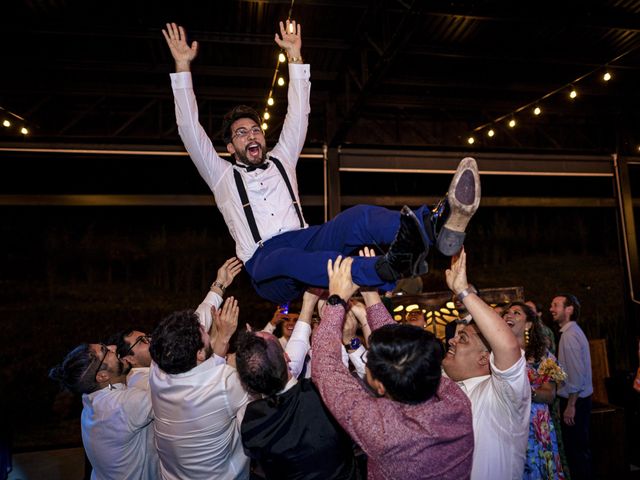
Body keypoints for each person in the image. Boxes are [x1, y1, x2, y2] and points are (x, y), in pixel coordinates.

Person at [162, 21, 481, 304]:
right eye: (242, 133)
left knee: (358, 217)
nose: (252, 136)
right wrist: (182, 66)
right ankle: (379, 269)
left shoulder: (282, 160)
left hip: (306, 240)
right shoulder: (221, 175)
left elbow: (298, 115)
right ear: (231, 147)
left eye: (256, 129)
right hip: (264, 263)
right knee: (288, 258)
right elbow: (190, 130)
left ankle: (434, 227)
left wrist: (295, 58)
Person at [312, 250, 474, 479]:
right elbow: (403, 347)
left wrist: (336, 301)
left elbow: (326, 370)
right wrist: (370, 295)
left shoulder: (382, 429)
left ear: (379, 387)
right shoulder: (456, 402)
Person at [236, 290, 357, 479]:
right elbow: (335, 362)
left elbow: (295, 353)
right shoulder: (323, 394)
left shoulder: (248, 420)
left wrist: (307, 306)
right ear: (286, 357)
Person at [148, 258, 249, 480]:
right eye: (204, 331)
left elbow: (199, 318)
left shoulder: (159, 367)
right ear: (200, 354)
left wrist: (219, 285)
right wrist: (226, 337)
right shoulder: (226, 383)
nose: (205, 326)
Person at [442, 250, 531, 480]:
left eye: (462, 339)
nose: (451, 340)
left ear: (484, 359)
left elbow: (508, 348)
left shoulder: (500, 395)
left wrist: (463, 292)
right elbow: (395, 373)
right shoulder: (445, 385)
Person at [48, 343, 159, 479]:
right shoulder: (123, 405)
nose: (113, 347)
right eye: (106, 351)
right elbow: (178, 398)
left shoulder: (91, 397)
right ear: (102, 376)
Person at [504, 302, 566, 480]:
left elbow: (550, 394)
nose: (509, 315)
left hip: (535, 422)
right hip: (506, 421)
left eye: (516, 313)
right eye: (507, 313)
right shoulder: (494, 355)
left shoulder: (542, 356)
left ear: (529, 324)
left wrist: (524, 391)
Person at [550, 294, 593, 480]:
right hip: (578, 400)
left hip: (576, 401)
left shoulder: (569, 336)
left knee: (576, 453)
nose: (551, 309)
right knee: (579, 450)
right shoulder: (572, 332)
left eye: (556, 305)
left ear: (569, 310)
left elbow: (576, 376)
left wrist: (571, 405)